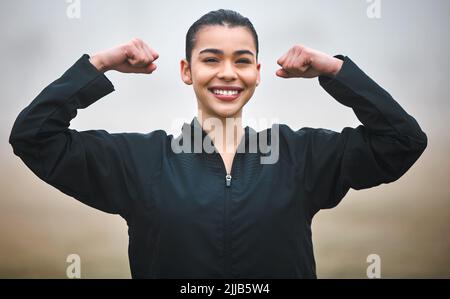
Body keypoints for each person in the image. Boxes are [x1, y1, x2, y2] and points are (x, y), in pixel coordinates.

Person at [9, 9, 427, 278]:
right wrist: (98, 65)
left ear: (258, 73)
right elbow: (34, 137)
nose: (228, 73)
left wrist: (333, 69)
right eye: (211, 59)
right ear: (187, 71)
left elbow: (402, 141)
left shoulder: (301, 157)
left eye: (242, 61)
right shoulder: (141, 162)